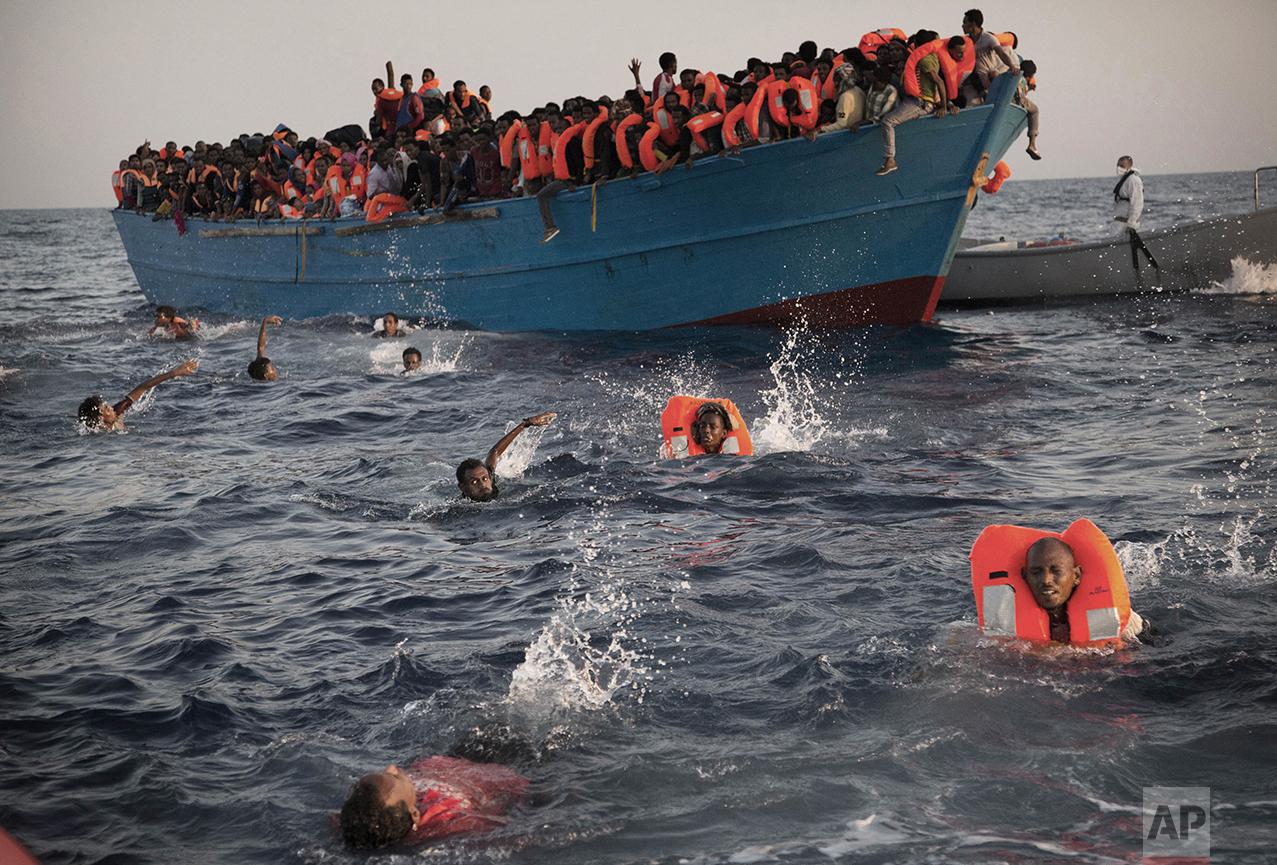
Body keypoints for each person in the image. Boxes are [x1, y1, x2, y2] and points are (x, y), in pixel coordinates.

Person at [339, 757, 528, 850]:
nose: (392, 767)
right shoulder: (452, 824)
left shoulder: (360, 819)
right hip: (504, 769)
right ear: (414, 814)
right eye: (394, 777)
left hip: (455, 765)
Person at [1021, 537, 1144, 643]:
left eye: (1056, 571)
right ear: (1026, 577)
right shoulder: (1005, 618)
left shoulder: (1119, 617)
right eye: (1036, 572)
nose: (1046, 580)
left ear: (1076, 576)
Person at [456, 413, 556, 502]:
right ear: (462, 487)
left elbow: (495, 451)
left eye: (485, 479)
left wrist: (526, 424)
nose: (482, 484)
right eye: (474, 482)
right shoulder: (460, 506)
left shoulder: (490, 476)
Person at [77, 360, 199, 431]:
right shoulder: (97, 437)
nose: (111, 407)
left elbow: (143, 387)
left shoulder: (116, 413)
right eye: (106, 409)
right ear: (100, 419)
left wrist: (174, 373)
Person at [1112, 155, 1144, 234]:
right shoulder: (1124, 179)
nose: (1119, 168)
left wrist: (1131, 225)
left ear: (1129, 166)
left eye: (1122, 166)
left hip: (1125, 225)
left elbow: (1137, 203)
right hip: (1118, 224)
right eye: (1118, 166)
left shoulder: (1133, 180)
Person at [248, 315, 282, 381]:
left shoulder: (259, 369)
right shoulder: (271, 389)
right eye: (272, 369)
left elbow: (261, 347)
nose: (275, 370)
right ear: (266, 376)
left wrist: (265, 321)